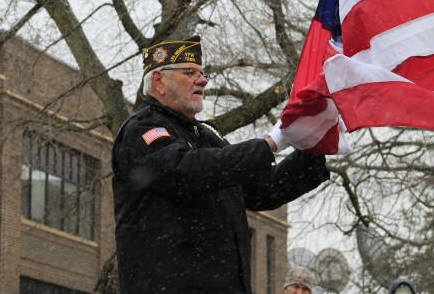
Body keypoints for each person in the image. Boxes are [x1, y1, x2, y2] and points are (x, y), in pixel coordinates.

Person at [111, 36, 330, 294]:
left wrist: (312, 147)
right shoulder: (143, 128)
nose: (202, 80)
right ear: (158, 81)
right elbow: (185, 171)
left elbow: (264, 189)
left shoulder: (205, 136)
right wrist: (269, 144)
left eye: (203, 73)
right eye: (190, 72)